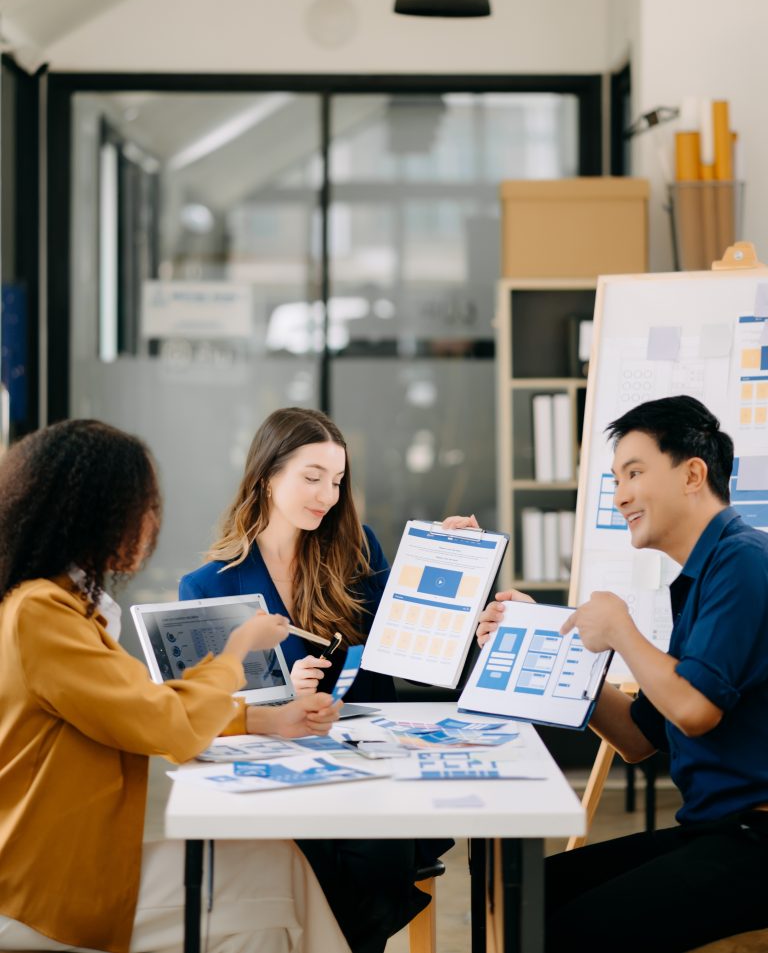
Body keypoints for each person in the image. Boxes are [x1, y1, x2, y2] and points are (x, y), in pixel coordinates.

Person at [0, 418, 350, 953]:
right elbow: (163, 721)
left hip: (54, 862)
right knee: (274, 879)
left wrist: (262, 719)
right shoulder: (42, 613)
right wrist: (237, 648)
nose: (150, 523)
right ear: (96, 512)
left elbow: (138, 706)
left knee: (274, 879)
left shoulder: (55, 605)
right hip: (39, 885)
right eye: (143, 506)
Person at [477, 394, 768, 953]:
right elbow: (640, 738)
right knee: (525, 895)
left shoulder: (743, 561)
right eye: (614, 480)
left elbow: (694, 710)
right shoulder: (701, 577)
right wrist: (539, 635)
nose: (620, 496)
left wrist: (622, 631)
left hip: (756, 842)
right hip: (714, 832)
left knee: (557, 928)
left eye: (634, 473)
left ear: (692, 473)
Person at [179, 406, 461, 951]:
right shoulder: (208, 586)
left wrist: (444, 565)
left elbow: (405, 644)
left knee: (372, 856)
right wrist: (283, 693)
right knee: (310, 857)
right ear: (266, 477)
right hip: (273, 775)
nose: (327, 496)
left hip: (365, 770)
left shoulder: (357, 553)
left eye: (335, 481)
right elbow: (201, 706)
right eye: (312, 478)